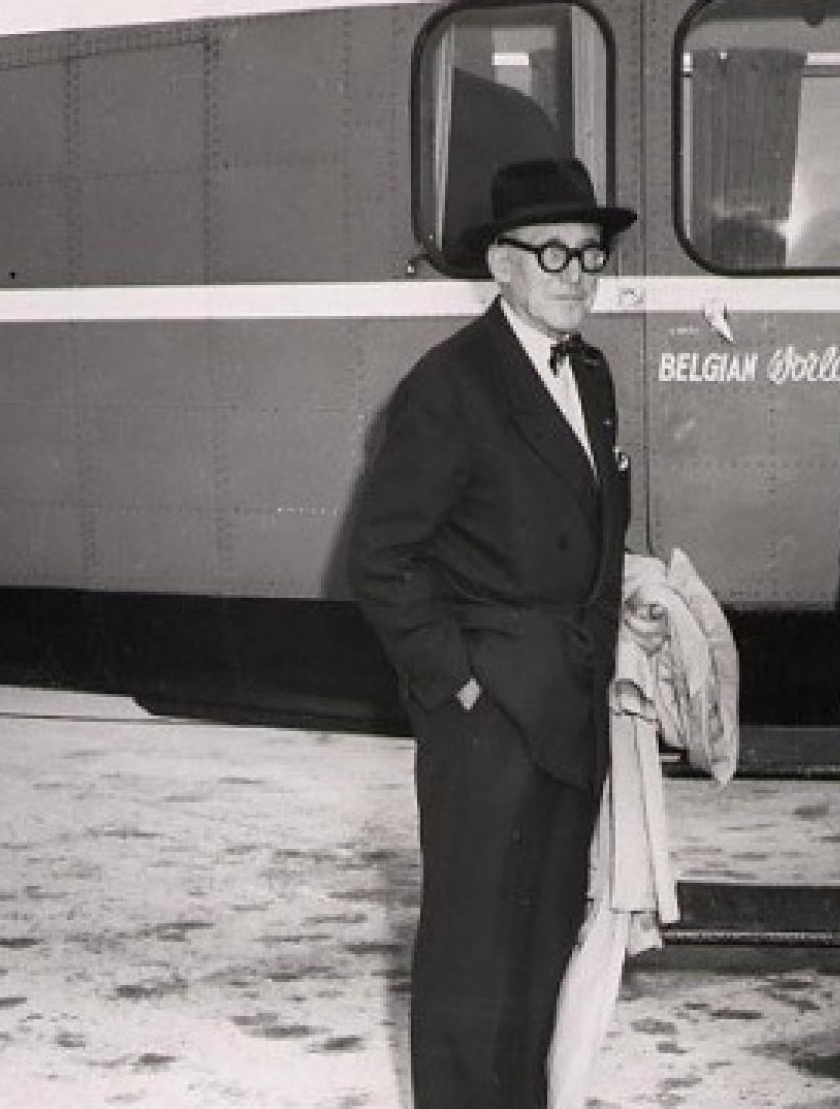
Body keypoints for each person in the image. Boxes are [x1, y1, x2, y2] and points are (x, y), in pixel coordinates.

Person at [348, 156, 636, 1109]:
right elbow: (382, 558)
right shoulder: (450, 384)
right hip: (489, 724)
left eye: (590, 255)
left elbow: (600, 536)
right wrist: (459, 686)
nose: (575, 274)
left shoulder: (589, 374)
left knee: (540, 952)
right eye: (551, 253)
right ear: (500, 264)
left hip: (569, 711)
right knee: (473, 967)